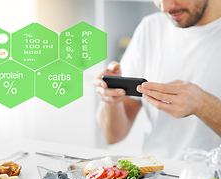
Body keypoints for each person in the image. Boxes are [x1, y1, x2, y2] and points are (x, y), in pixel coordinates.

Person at [93, 0, 221, 160]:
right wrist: (110, 101)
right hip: (154, 174)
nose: (165, 7)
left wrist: (203, 105)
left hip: (212, 178)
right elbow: (113, 136)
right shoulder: (151, 28)